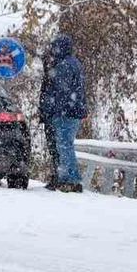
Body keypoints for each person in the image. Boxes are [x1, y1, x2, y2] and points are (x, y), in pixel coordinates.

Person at [40, 34, 87, 193]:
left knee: (64, 145)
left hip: (65, 112)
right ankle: (65, 178)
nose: (52, 50)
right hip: (73, 111)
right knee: (65, 145)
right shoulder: (74, 63)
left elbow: (61, 91)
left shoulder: (64, 65)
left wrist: (54, 110)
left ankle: (71, 180)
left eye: (54, 47)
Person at [37, 49, 60, 190]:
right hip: (50, 116)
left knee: (56, 148)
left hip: (53, 116)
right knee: (54, 148)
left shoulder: (54, 76)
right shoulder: (50, 76)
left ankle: (58, 176)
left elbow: (49, 97)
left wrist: (47, 112)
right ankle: (57, 175)